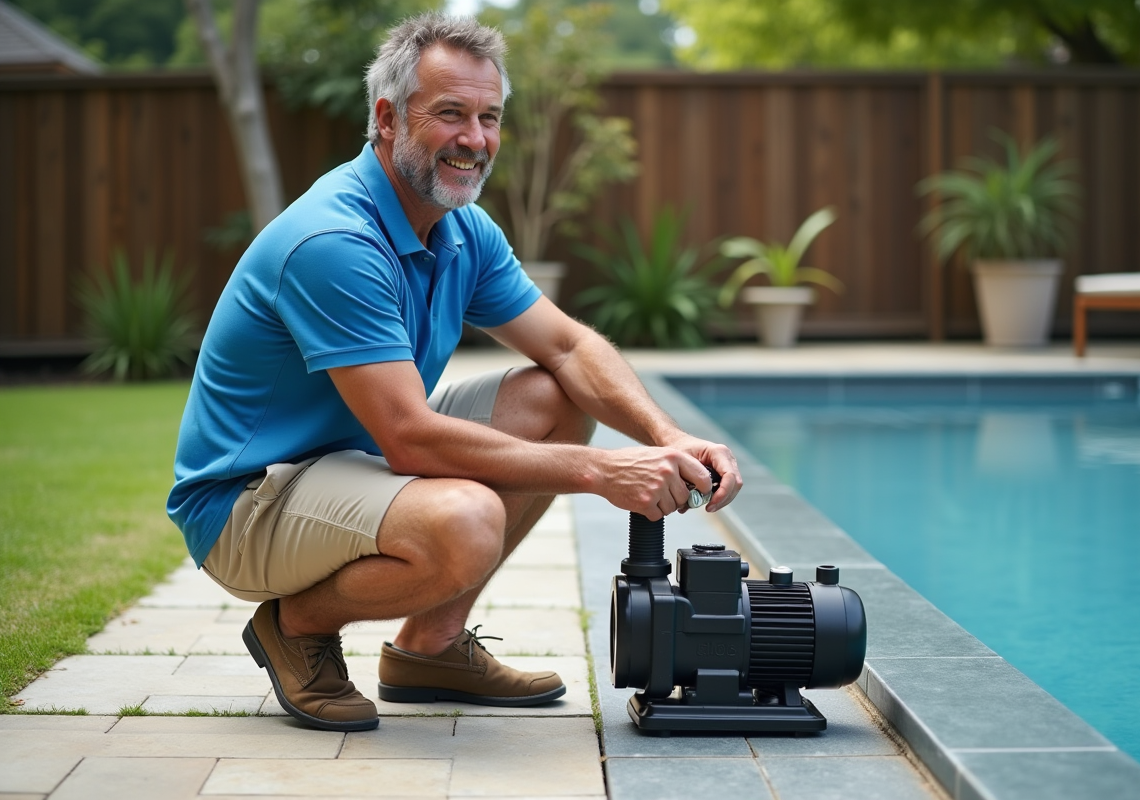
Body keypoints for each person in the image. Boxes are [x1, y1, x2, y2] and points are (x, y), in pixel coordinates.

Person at [167, 12, 742, 733]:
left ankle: (430, 648)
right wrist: (603, 471)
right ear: (386, 117)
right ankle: (295, 625)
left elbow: (567, 347)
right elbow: (410, 438)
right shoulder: (335, 241)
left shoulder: (461, 226)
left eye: (488, 117)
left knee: (556, 393)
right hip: (248, 502)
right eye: (449, 114)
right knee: (468, 522)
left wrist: (667, 433)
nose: (474, 140)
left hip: (350, 460)